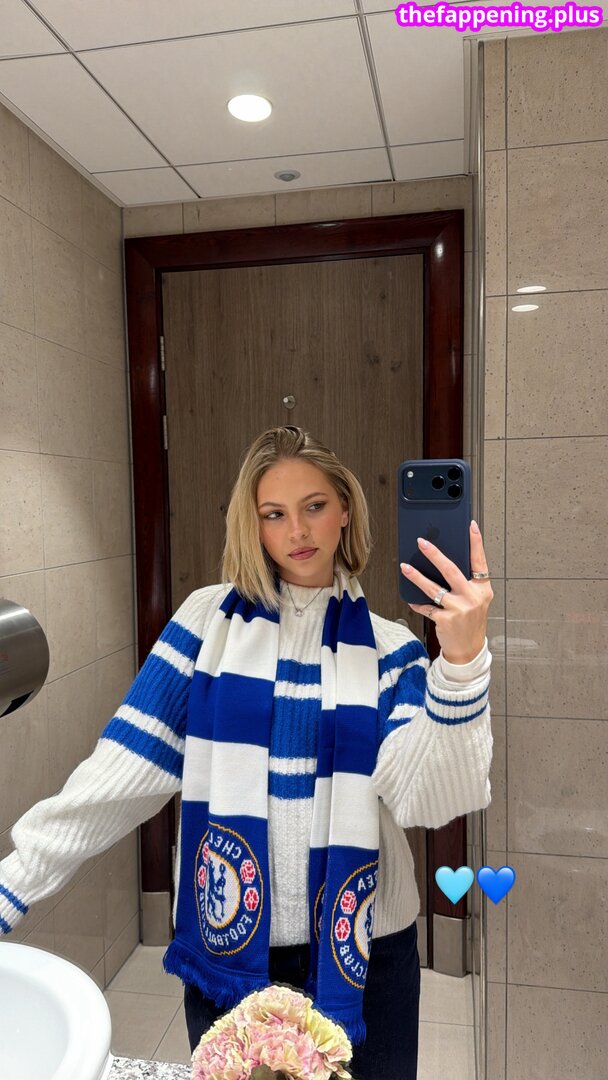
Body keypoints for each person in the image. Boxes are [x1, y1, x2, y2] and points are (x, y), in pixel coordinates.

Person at [0, 426, 494, 1080]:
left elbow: (428, 799)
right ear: (252, 525)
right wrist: (14, 882)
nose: (299, 530)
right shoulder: (204, 624)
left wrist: (460, 664)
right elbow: (120, 774)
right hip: (232, 960)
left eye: (315, 505)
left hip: (366, 954)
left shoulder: (391, 648)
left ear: (346, 510)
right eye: (274, 514)